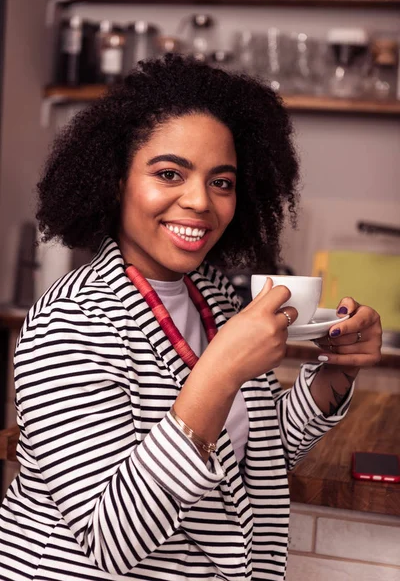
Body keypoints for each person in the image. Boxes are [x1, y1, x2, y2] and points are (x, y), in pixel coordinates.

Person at [0, 55, 381, 581]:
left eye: (221, 182)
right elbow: (111, 540)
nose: (200, 201)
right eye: (169, 173)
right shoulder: (68, 325)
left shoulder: (215, 297)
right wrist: (219, 371)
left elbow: (245, 455)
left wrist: (332, 380)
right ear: (116, 181)